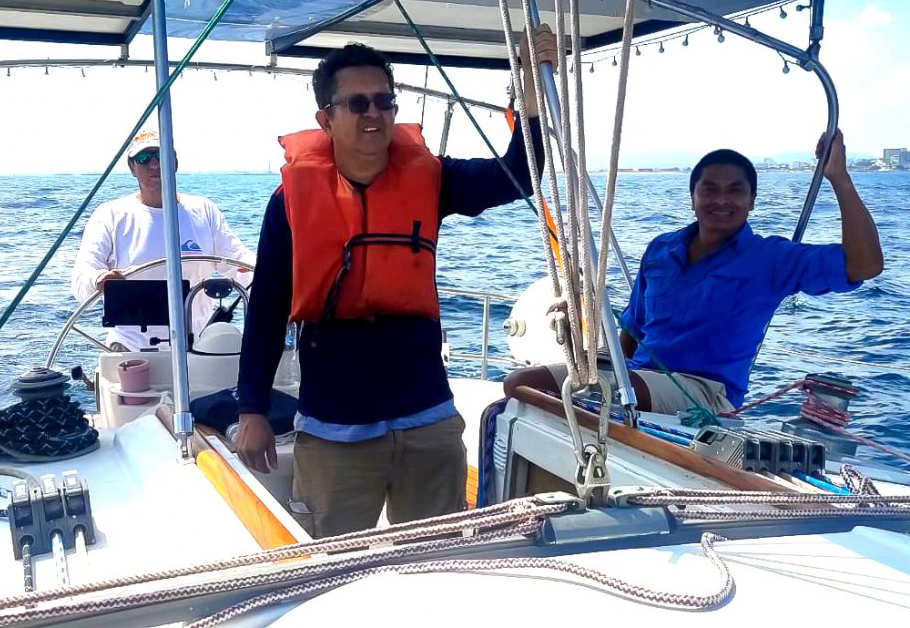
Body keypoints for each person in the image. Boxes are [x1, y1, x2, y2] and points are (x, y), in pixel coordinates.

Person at [234, 30, 557, 538]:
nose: (373, 114)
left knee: (436, 561)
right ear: (326, 118)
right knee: (335, 569)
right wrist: (251, 407)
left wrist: (532, 99)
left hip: (425, 415)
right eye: (356, 103)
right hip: (334, 426)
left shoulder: (432, 180)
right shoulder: (290, 203)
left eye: (384, 101)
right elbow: (268, 308)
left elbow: (521, 174)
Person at [503, 132, 884, 414]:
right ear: (693, 197)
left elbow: (865, 265)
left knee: (603, 397)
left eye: (735, 190)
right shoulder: (660, 250)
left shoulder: (772, 258)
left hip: (703, 391)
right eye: (709, 189)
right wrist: (603, 364)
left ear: (752, 201)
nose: (721, 199)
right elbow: (633, 330)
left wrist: (840, 178)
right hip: (636, 378)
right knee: (519, 383)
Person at [70, 130, 255, 352]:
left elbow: (240, 265)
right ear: (132, 168)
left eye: (160, 155)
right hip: (130, 350)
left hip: (199, 346)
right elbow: (81, 278)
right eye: (143, 159)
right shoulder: (110, 214)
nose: (154, 164)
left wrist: (276, 281)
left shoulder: (204, 210)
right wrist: (99, 279)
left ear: (174, 162)